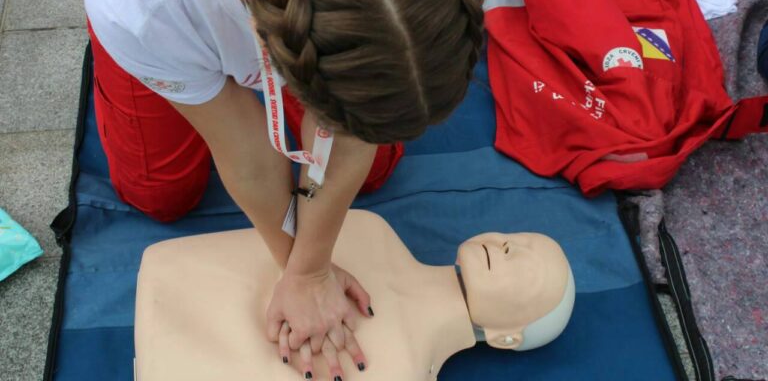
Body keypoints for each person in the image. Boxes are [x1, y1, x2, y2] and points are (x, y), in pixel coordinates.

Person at [78, 0, 484, 377]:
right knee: (160, 194)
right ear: (265, 44)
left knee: (372, 168)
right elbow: (243, 143)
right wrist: (306, 271)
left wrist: (307, 269)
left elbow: (349, 135)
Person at [134, 209, 575, 381]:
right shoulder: (371, 227)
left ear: (507, 337)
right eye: (516, 237)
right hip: (168, 278)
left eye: (526, 264)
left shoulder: (404, 371)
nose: (507, 245)